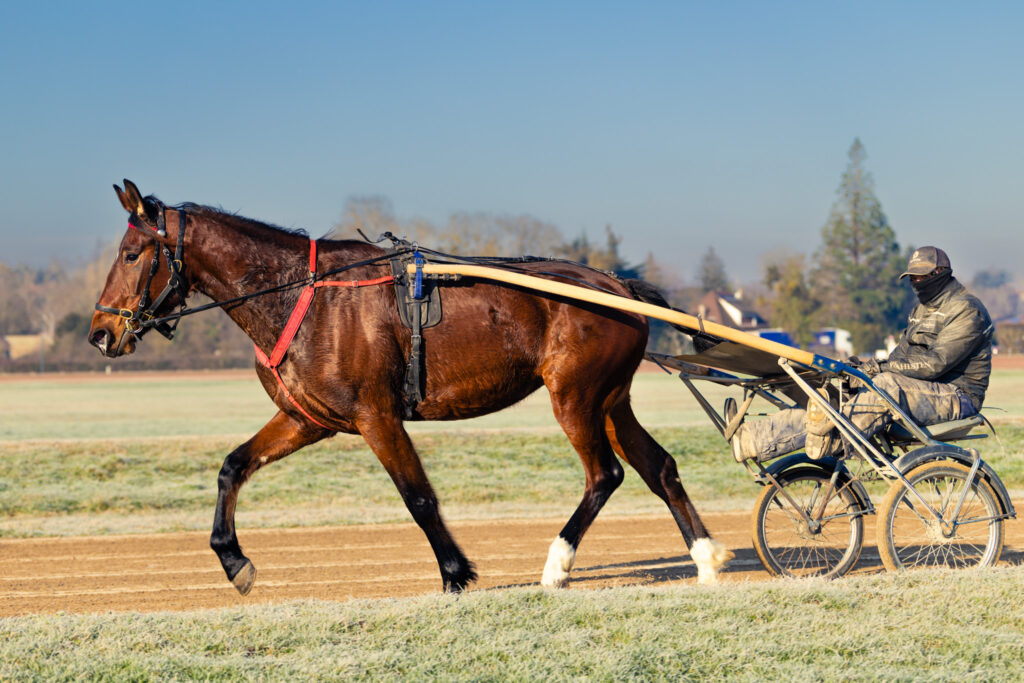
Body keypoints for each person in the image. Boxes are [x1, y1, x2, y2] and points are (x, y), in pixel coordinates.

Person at [730, 246, 994, 461]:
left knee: (883, 385)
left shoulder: (967, 310)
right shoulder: (920, 310)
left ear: (942, 272)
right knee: (834, 395)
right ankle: (753, 438)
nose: (917, 282)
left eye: (923, 276)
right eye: (912, 277)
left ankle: (833, 441)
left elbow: (935, 365)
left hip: (956, 396)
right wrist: (860, 369)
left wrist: (879, 370)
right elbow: (897, 359)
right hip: (918, 390)